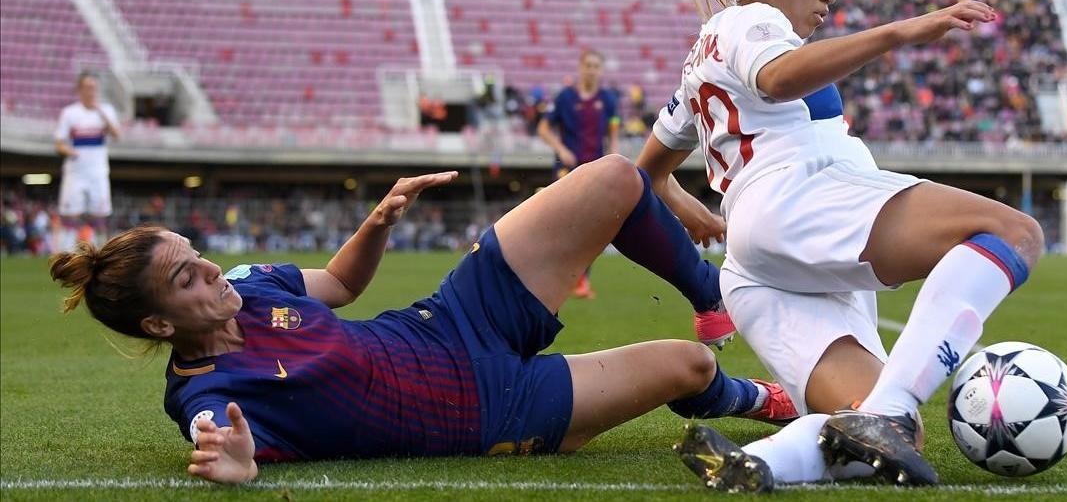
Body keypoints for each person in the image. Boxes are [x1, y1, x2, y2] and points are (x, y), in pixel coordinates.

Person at [635, 0, 1044, 489]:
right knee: (1014, 231)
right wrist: (902, 30)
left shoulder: (703, 57)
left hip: (759, 265)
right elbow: (778, 78)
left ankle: (760, 462)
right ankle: (883, 409)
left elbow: (649, 170)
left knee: (887, 433)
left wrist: (694, 210)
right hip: (801, 201)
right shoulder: (752, 23)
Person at [49, 155, 789, 485]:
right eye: (187, 276)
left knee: (612, 179)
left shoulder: (247, 282)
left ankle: (713, 300)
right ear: (156, 326)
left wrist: (376, 221)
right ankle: (743, 397)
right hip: (490, 407)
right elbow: (223, 444)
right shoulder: (207, 393)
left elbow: (338, 282)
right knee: (686, 369)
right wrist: (235, 462)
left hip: (451, 319)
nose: (212, 269)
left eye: (197, 254)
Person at [537, 49, 621, 298]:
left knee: (589, 226)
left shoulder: (608, 99)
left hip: (594, 170)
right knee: (562, 222)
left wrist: (614, 159)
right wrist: (561, 149)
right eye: (588, 65)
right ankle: (551, 274)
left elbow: (613, 132)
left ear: (601, 70)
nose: (592, 70)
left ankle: (581, 279)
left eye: (596, 66)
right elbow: (543, 128)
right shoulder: (564, 97)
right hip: (567, 170)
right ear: (580, 67)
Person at [54, 71, 121, 249]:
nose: (91, 91)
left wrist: (100, 112)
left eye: (94, 87)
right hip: (75, 172)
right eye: (87, 87)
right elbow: (59, 143)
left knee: (99, 217)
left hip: (98, 172)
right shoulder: (70, 113)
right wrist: (70, 151)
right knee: (71, 215)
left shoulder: (106, 111)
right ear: (79, 89)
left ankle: (100, 254)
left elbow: (117, 135)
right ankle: (65, 255)